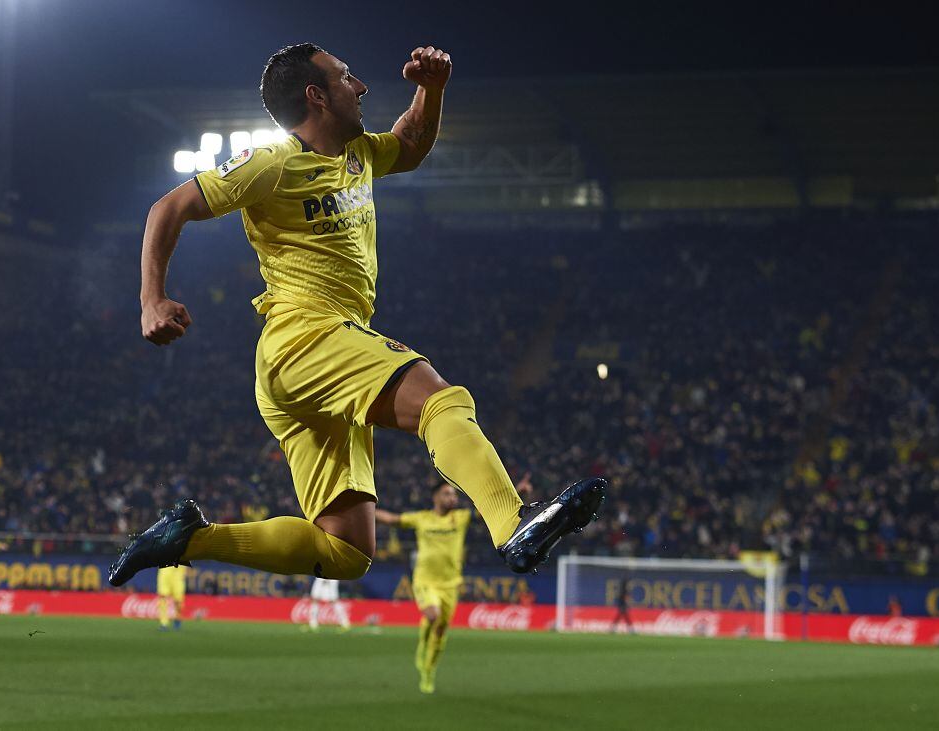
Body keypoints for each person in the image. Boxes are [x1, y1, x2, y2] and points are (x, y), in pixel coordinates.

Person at [109, 43, 607, 591]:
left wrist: (431, 89)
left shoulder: (358, 154)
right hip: (304, 336)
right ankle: (511, 520)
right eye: (347, 78)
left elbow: (411, 144)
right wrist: (151, 300)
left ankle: (189, 539)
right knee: (437, 398)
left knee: (345, 552)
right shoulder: (272, 163)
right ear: (316, 96)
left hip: (309, 362)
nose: (362, 87)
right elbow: (168, 208)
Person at [377, 483, 469, 694]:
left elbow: (489, 512)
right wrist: (363, 509)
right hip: (425, 581)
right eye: (447, 494)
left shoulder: (462, 517)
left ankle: (429, 671)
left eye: (454, 494)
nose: (452, 498)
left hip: (451, 584)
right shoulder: (422, 518)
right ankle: (422, 645)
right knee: (432, 613)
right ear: (435, 497)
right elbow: (392, 519)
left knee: (441, 632)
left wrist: (518, 491)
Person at [157, 565, 187, 631]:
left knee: (178, 600)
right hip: (165, 571)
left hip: (178, 573)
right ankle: (163, 623)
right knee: (163, 598)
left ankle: (177, 618)